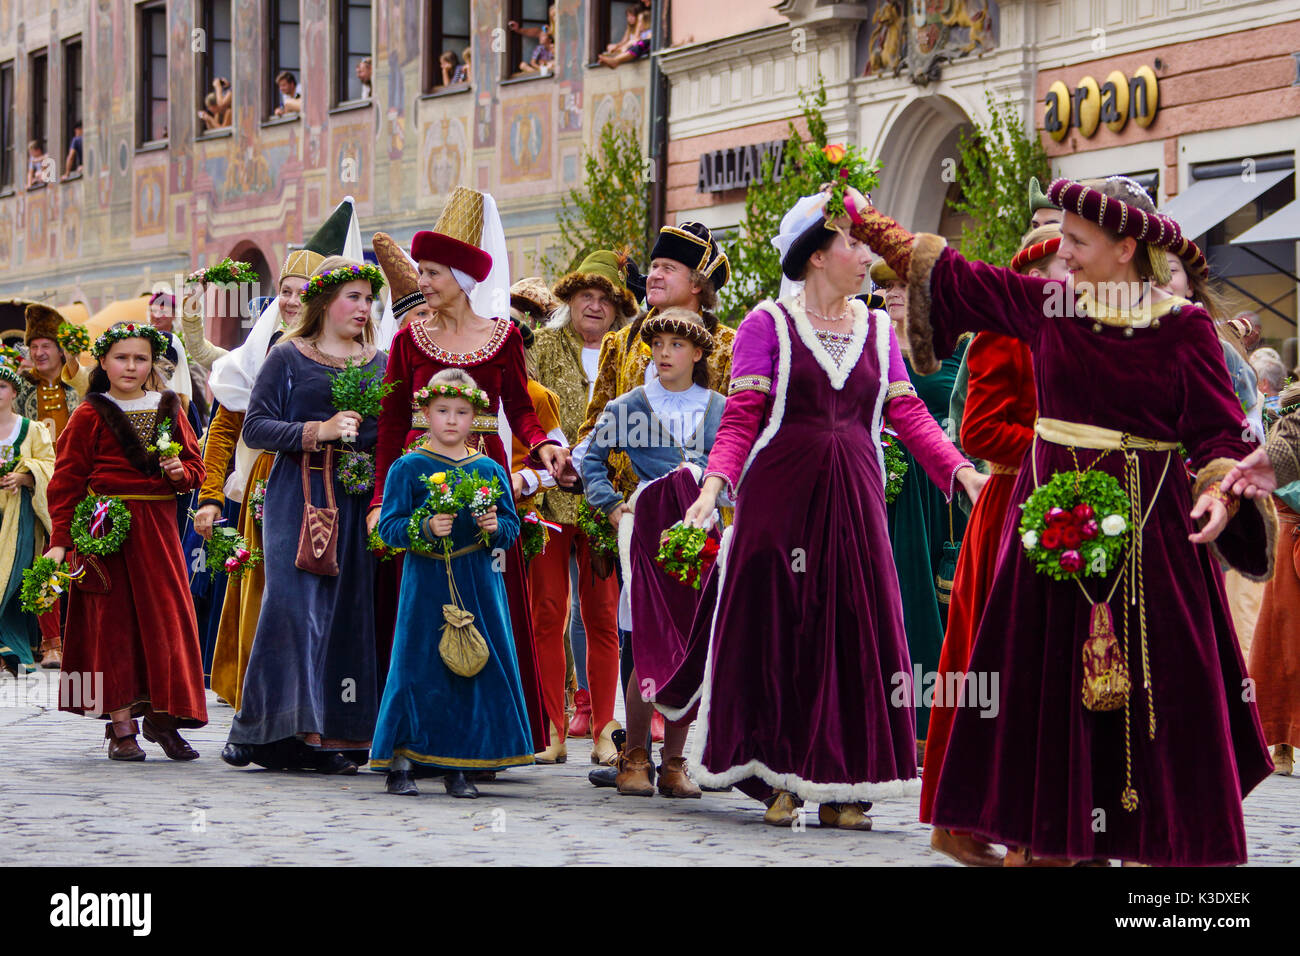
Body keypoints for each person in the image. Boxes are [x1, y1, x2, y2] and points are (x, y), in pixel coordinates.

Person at [849, 175, 1276, 865]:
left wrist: (1219, 490)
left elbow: (1220, 434)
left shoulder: (1183, 327)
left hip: (1153, 543)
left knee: (1158, 693)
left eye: (1078, 241)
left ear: (1126, 245)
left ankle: (1139, 842)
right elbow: (964, 277)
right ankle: (1047, 841)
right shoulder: (1051, 305)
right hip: (1051, 535)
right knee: (1044, 689)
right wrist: (876, 229)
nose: (1064, 254)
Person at [681, 189, 985, 831]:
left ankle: (848, 781)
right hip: (780, 503)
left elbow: (908, 413)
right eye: (852, 243)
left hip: (855, 498)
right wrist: (713, 489)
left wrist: (961, 473)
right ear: (815, 256)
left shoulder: (877, 327)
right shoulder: (768, 324)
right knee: (782, 630)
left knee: (857, 632)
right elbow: (740, 419)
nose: (866, 254)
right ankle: (776, 774)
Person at [370, 186, 571, 757]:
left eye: (433, 272)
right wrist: (381, 501)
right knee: (418, 612)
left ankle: (483, 736)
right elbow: (388, 426)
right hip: (419, 481)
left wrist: (543, 449)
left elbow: (521, 410)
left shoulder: (504, 338)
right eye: (422, 271)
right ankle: (415, 734)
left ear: (461, 276)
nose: (423, 281)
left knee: (486, 604)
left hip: (482, 482)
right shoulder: (409, 338)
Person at [923, 224, 1064, 866]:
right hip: (1012, 506)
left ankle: (1047, 826)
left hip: (1070, 507)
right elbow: (979, 428)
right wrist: (1058, 448)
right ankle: (974, 821)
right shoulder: (1005, 331)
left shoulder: (1091, 331)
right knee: (995, 670)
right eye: (1065, 263)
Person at [576, 223, 731, 785]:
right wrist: (611, 506)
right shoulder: (623, 351)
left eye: (669, 268)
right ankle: (633, 752)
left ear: (698, 283)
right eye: (654, 266)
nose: (655, 275)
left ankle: (675, 758)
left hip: (703, 530)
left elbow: (736, 447)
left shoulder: (731, 354)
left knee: (692, 639)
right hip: (641, 529)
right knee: (639, 635)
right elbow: (596, 436)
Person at [222, 257, 387, 774]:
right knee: (292, 610)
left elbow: (388, 437)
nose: (363, 308)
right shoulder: (288, 356)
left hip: (356, 498)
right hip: (298, 493)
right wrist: (319, 430)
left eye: (368, 299)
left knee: (345, 613)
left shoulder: (380, 362)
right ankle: (266, 732)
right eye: (353, 297)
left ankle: (334, 734)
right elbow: (256, 428)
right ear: (324, 302)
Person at [193, 206, 350, 713]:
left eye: (303, 291)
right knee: (264, 587)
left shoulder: (348, 352)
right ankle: (256, 693)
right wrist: (212, 496)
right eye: (285, 289)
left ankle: (312, 698)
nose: (291, 300)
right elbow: (225, 430)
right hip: (268, 481)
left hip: (331, 484)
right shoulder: (261, 353)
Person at [44, 322, 207, 761]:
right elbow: (66, 481)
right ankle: (121, 727)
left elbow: (195, 466)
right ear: (104, 362)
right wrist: (61, 540)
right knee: (110, 627)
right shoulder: (88, 414)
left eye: (140, 358)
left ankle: (163, 715)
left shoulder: (170, 407)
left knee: (166, 622)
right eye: (121, 357)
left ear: (152, 362)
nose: (131, 366)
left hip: (157, 530)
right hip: (104, 529)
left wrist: (180, 474)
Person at [371, 369, 534, 797]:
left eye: (461, 412)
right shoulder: (408, 468)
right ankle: (401, 760)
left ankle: (460, 762)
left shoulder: (490, 469)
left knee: (470, 666)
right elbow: (387, 528)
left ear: (475, 416)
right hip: (424, 582)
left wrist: (495, 526)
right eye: (442, 411)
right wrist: (424, 527)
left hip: (478, 579)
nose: (451, 420)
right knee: (417, 665)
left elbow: (511, 528)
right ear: (425, 412)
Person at [529, 251, 639, 766]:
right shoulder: (541, 347)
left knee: (601, 617)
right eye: (585, 297)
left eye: (606, 299)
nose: (594, 307)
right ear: (569, 300)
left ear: (619, 308)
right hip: (547, 497)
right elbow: (523, 408)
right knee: (547, 613)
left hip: (604, 501)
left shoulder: (629, 354)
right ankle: (551, 728)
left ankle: (601, 728)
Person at [873, 255, 971, 764]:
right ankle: (896, 723)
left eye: (903, 287)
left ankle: (939, 724)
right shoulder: (870, 343)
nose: (891, 294)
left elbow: (971, 416)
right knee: (896, 598)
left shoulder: (958, 347)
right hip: (882, 484)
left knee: (943, 601)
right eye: (886, 287)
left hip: (943, 489)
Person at [17, 303, 91, 669]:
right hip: (38, 489)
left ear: (61, 349)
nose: (39, 352)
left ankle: (84, 637)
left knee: (82, 558)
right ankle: (51, 644)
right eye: (34, 346)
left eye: (46, 345)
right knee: (43, 556)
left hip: (83, 483)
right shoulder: (19, 392)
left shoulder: (78, 385)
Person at [1241, 382, 1300, 776]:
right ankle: (1280, 742)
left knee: (1284, 643)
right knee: (1283, 644)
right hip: (1289, 538)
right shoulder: (1283, 439)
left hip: (1286, 537)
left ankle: (1281, 744)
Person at [0, 360, 55, 677]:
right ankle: (8, 650)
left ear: (14, 391)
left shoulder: (32, 429)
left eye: (3, 386)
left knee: (11, 576)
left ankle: (16, 648)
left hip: (20, 515)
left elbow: (49, 465)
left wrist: (26, 477)